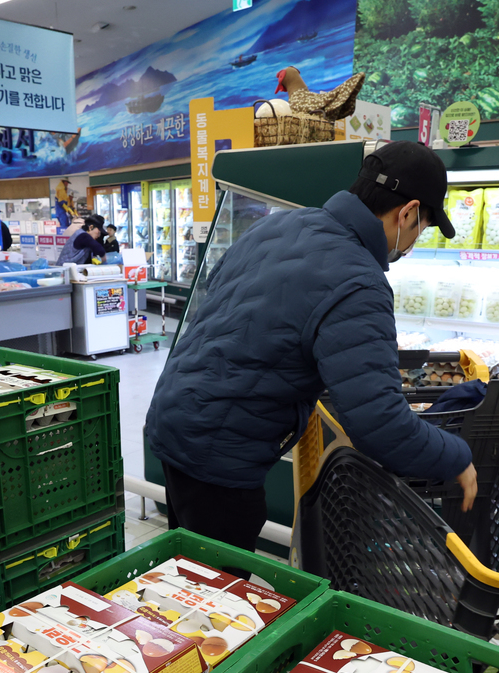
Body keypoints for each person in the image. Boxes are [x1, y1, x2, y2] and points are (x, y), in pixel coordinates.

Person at [144, 142, 475, 552]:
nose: (411, 242)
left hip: (173, 418)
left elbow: (232, 317)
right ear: (407, 213)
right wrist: (457, 456)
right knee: (217, 597)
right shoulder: (360, 280)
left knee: (187, 575)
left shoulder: (278, 225)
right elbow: (382, 425)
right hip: (220, 454)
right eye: (420, 229)